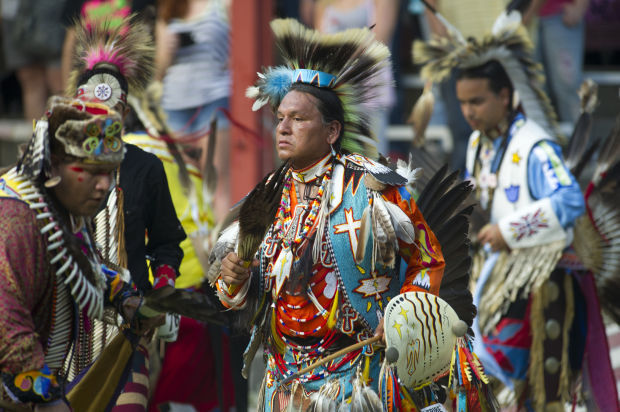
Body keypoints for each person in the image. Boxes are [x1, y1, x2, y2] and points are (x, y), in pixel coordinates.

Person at [212, 19, 450, 410]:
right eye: (280, 118)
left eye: (299, 119)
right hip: (284, 380)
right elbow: (235, 297)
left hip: (357, 376)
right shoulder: (267, 197)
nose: (283, 128)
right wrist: (234, 279)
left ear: (332, 131)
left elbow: (427, 261)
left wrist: (402, 322)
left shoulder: (373, 189)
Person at [413, 9, 616, 408]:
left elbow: (569, 201)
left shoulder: (534, 145)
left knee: (513, 380)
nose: (469, 111)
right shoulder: (477, 144)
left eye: (478, 101)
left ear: (505, 96)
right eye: (463, 103)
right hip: (498, 278)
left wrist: (510, 230)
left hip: (541, 281)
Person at [0, 96, 162, 409]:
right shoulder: (16, 221)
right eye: (90, 171)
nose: (103, 186)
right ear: (54, 165)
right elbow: (5, 317)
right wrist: (46, 398)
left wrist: (123, 296)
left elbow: (77, 264)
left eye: (108, 172)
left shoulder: (56, 206)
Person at [64, 15, 187, 409]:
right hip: (60, 335)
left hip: (125, 328)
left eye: (109, 118)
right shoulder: (53, 167)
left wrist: (163, 292)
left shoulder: (145, 169)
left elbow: (167, 244)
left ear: (123, 114)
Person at [154, 0, 232, 220]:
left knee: (216, 181)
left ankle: (222, 249)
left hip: (214, 99)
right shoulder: (168, 7)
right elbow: (158, 72)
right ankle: (195, 248)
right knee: (184, 183)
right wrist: (167, 52)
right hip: (174, 105)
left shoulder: (224, 4)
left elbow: (244, 50)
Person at [312, 0, 399, 156]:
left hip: (370, 88)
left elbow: (378, 39)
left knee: (375, 156)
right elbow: (321, 42)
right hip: (335, 88)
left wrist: (339, 53)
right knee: (336, 153)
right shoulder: (323, 4)